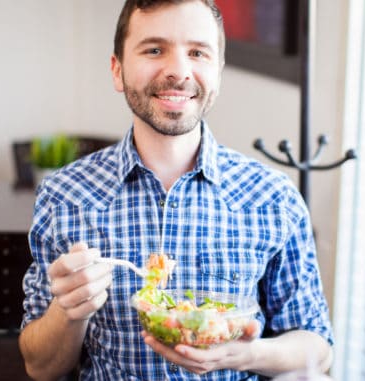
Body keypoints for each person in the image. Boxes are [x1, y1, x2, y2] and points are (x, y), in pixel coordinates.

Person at [18, 0, 334, 380]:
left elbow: (318, 348)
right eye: (154, 50)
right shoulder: (64, 194)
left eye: (197, 52)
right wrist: (68, 311)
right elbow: (39, 367)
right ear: (118, 71)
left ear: (217, 72)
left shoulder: (273, 197)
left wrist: (247, 355)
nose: (178, 71)